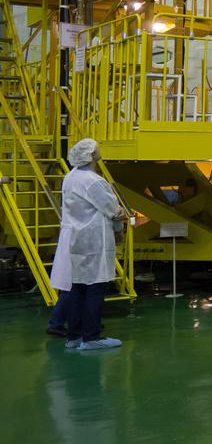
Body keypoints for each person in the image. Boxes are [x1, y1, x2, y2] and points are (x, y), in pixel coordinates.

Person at [54, 139, 127, 350]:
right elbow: (113, 211)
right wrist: (120, 230)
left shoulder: (70, 177)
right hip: (95, 240)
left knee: (77, 287)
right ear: (92, 155)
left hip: (76, 239)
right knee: (96, 287)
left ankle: (74, 337)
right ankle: (91, 338)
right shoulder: (94, 181)